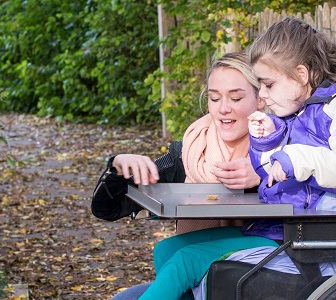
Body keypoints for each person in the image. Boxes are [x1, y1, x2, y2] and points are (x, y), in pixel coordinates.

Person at [141, 17, 336, 299]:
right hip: (282, 227)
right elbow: (278, 168)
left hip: (315, 239)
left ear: (302, 74)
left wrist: (294, 157)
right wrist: (268, 141)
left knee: (185, 262)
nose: (263, 95)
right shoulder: (302, 105)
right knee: (166, 249)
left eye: (268, 84)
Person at [91, 52, 270, 300]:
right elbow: (108, 209)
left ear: (260, 99)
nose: (223, 109)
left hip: (260, 279)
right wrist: (118, 168)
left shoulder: (280, 149)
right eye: (214, 98)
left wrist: (263, 171)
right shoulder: (189, 152)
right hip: (197, 280)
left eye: (236, 97)